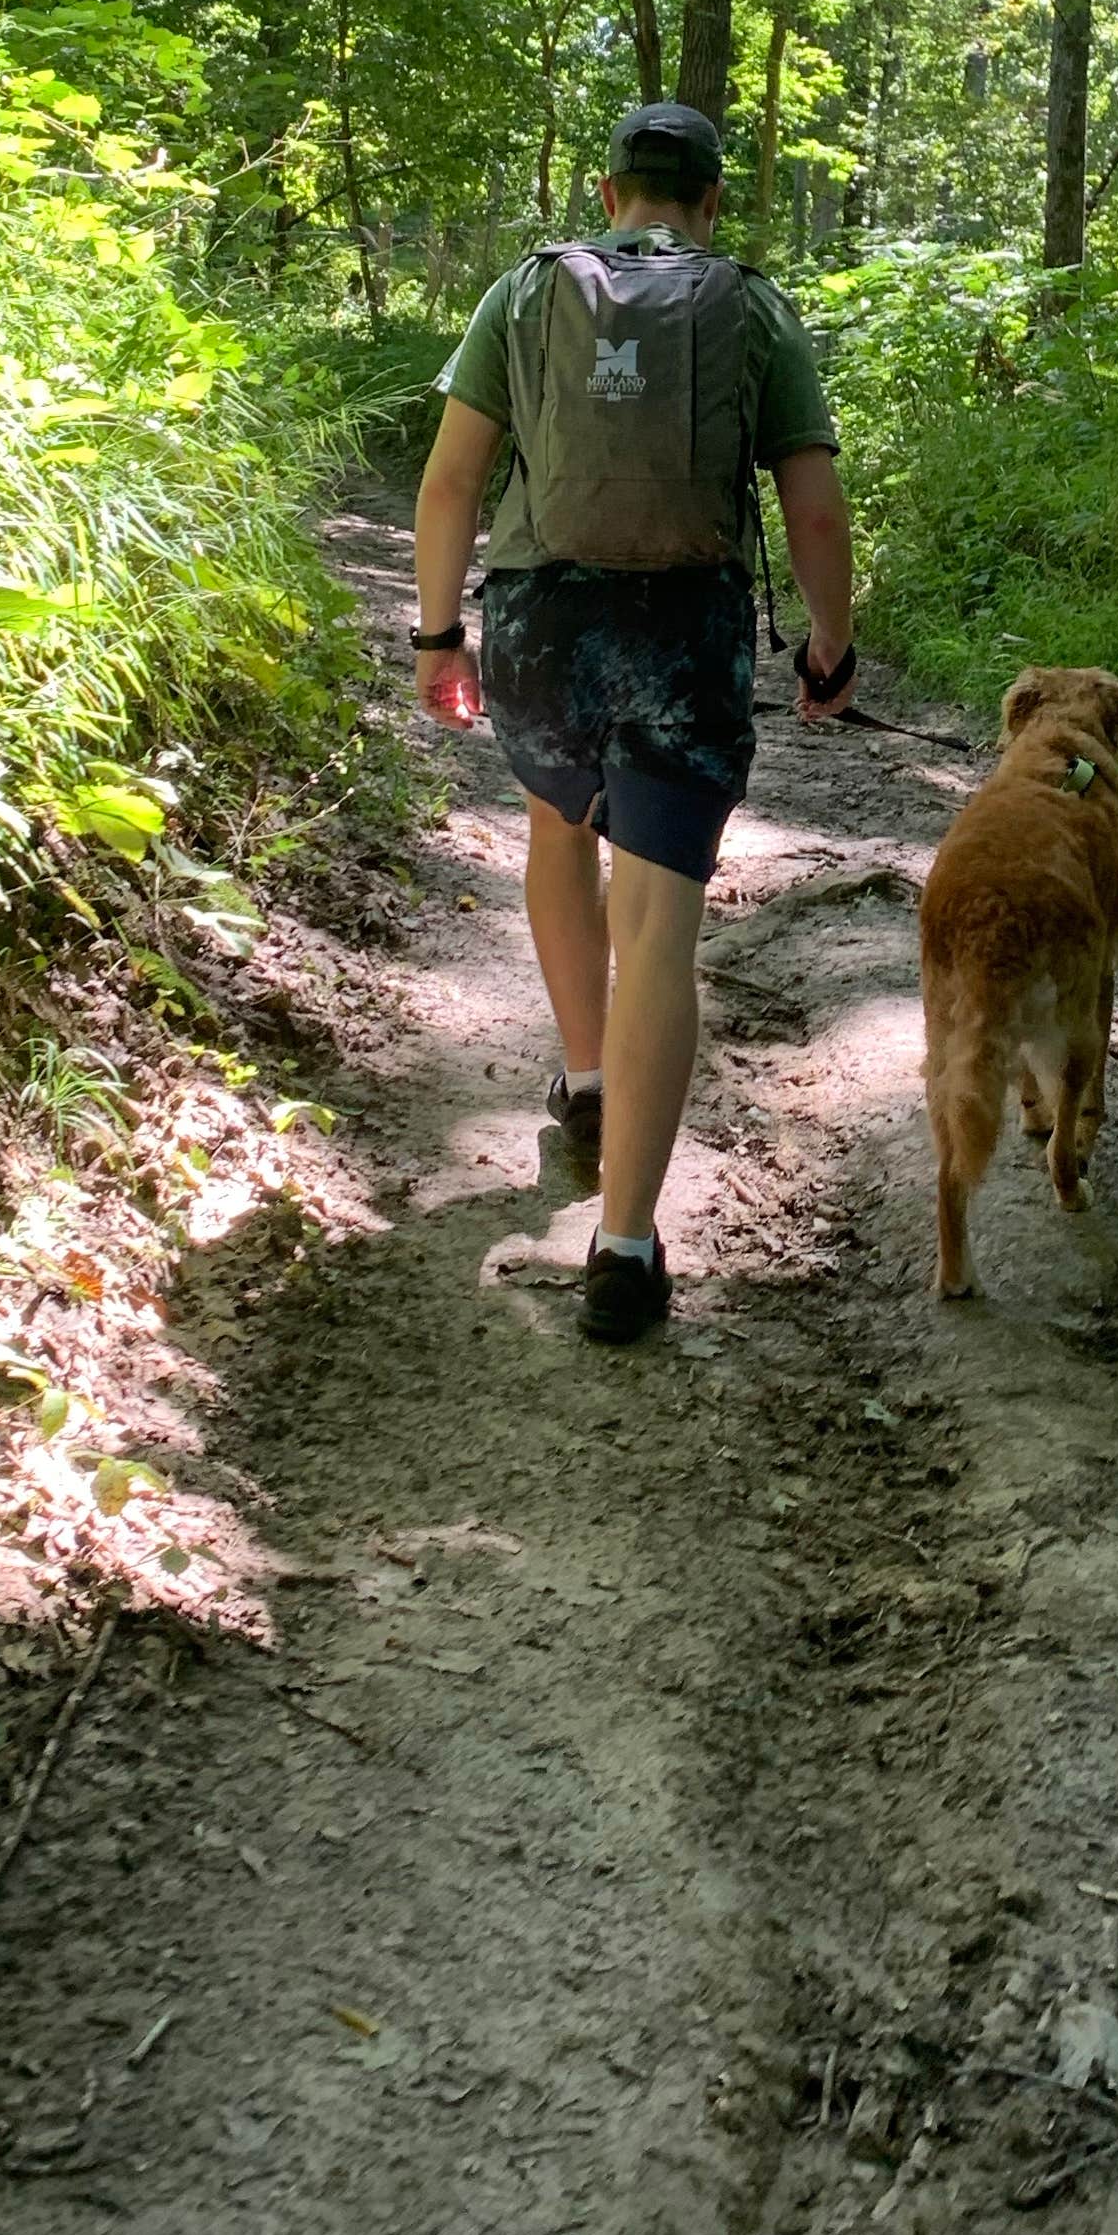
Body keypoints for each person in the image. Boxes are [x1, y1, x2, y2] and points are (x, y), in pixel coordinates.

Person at [410, 100, 857, 1344]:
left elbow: (450, 480)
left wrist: (438, 635)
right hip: (684, 633)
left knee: (559, 832)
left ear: (608, 194)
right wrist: (830, 644)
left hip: (545, 623)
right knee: (659, 918)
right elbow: (814, 511)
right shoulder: (752, 308)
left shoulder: (523, 295)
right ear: (711, 202)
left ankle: (591, 1077)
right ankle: (622, 1246)